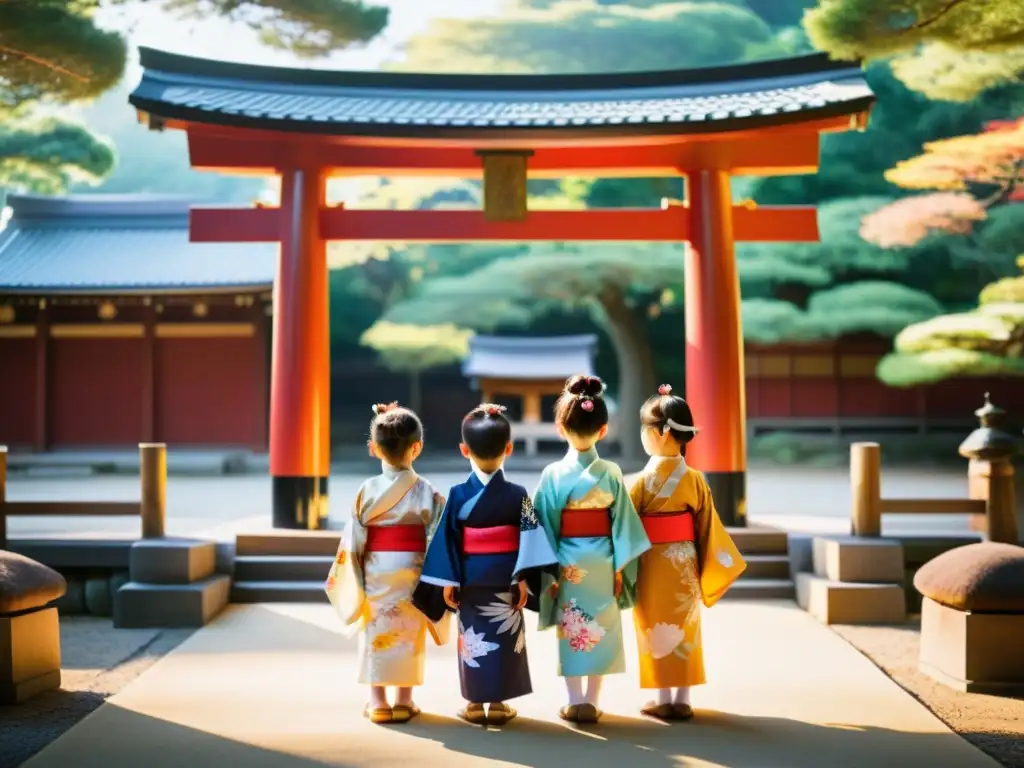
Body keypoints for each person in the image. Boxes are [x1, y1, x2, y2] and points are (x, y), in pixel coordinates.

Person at [413, 404, 559, 726]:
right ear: (509, 448)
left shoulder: (458, 493)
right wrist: (522, 577)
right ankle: (498, 703)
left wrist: (448, 580)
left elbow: (446, 540)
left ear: (464, 450)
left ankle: (474, 705)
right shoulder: (517, 493)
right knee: (503, 641)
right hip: (506, 579)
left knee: (473, 640)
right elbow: (530, 540)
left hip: (469, 578)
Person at [532, 375, 651, 724]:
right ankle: (593, 701)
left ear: (559, 428)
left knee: (572, 629)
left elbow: (544, 527)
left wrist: (549, 572)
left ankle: (573, 700)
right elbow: (623, 525)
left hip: (567, 561)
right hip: (603, 560)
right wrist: (618, 569)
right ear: (603, 429)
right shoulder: (611, 472)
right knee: (600, 625)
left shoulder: (552, 474)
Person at [325, 402, 450, 726]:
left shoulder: (366, 490)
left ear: (373, 448)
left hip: (376, 567)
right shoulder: (428, 492)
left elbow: (353, 539)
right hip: (414, 569)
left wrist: (351, 572)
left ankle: (378, 701)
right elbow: (439, 535)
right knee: (410, 631)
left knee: (376, 630)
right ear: (417, 447)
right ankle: (404, 701)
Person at [628, 384, 747, 721]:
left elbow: (627, 527)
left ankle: (661, 697)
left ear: (663, 432)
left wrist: (622, 566)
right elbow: (708, 525)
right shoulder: (695, 479)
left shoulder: (639, 481)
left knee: (652, 625)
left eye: (645, 429)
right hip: (684, 562)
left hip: (651, 562)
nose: (643, 435)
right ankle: (683, 698)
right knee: (684, 625)